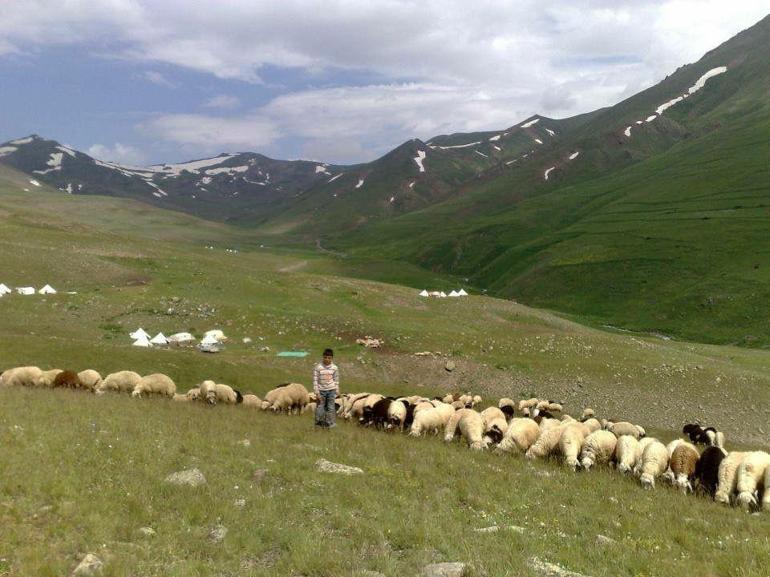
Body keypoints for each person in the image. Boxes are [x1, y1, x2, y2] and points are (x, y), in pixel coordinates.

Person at [313, 348, 339, 428]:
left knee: (331, 407)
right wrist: (317, 392)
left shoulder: (334, 368)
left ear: (332, 358)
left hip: (331, 390)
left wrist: (337, 389)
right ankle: (319, 423)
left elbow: (336, 379)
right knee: (320, 407)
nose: (327, 359)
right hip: (321, 391)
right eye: (325, 357)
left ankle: (330, 423)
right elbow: (315, 380)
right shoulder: (318, 367)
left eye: (329, 358)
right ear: (323, 357)